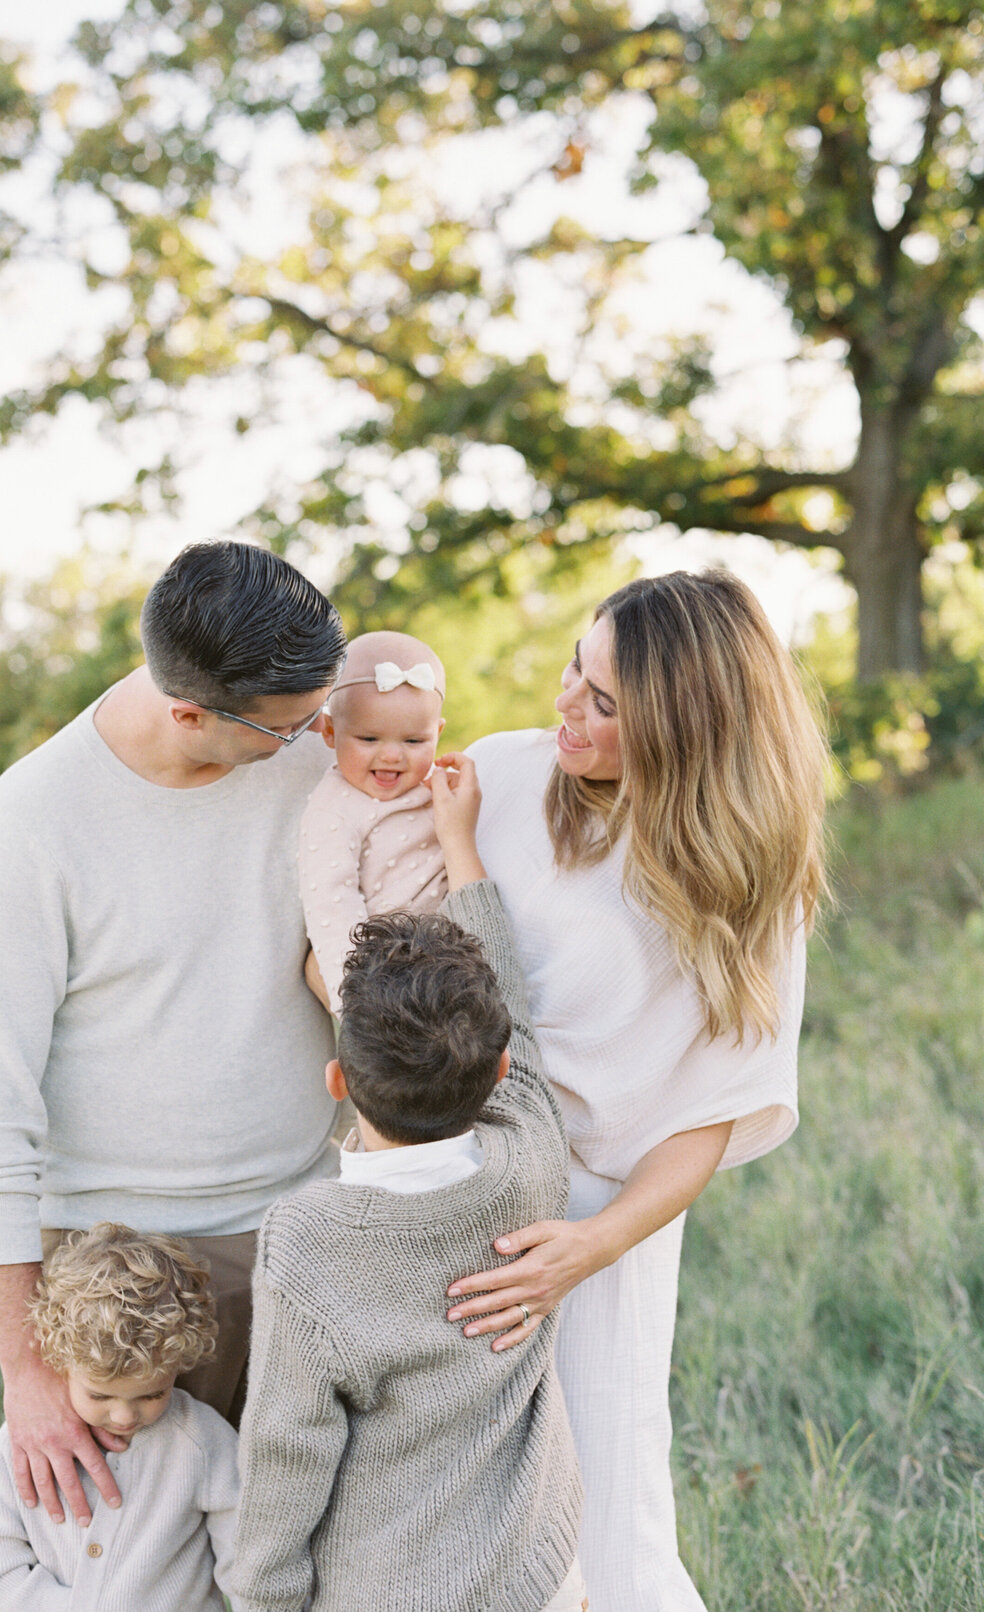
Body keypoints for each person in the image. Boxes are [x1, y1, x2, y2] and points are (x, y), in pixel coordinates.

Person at [0, 541, 346, 1527]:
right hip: (116, 1272)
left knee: (296, 1557)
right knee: (135, 1567)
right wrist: (29, 1372)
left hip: (294, 1235)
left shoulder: (309, 758)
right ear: (192, 713)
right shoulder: (33, 821)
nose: (319, 737)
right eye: (290, 727)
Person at [444, 570, 827, 1612]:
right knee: (454, 1516)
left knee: (609, 1517)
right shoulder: (495, 778)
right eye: (577, 664)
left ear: (684, 729)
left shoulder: (749, 874)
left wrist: (591, 1245)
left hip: (606, 1222)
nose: (568, 702)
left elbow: (711, 1109)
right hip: (453, 1191)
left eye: (606, 703)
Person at [232, 757, 586, 1612]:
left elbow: (286, 1451)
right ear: (499, 1068)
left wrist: (261, 1599)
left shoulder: (308, 1239)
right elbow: (517, 1016)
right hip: (536, 1577)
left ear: (337, 1080)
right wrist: (458, 843)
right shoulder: (532, 1160)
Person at [0, 1223, 242, 1611]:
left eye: (152, 1393)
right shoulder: (23, 1445)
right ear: (58, 1362)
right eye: (99, 1395)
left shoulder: (204, 1442)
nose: (124, 1415)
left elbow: (248, 1565)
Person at [300, 629, 448, 1013]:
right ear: (330, 731)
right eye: (369, 739)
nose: (392, 756)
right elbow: (331, 904)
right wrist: (357, 1003)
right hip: (381, 980)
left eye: (414, 742)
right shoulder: (335, 807)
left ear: (438, 734)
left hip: (446, 967)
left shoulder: (437, 787)